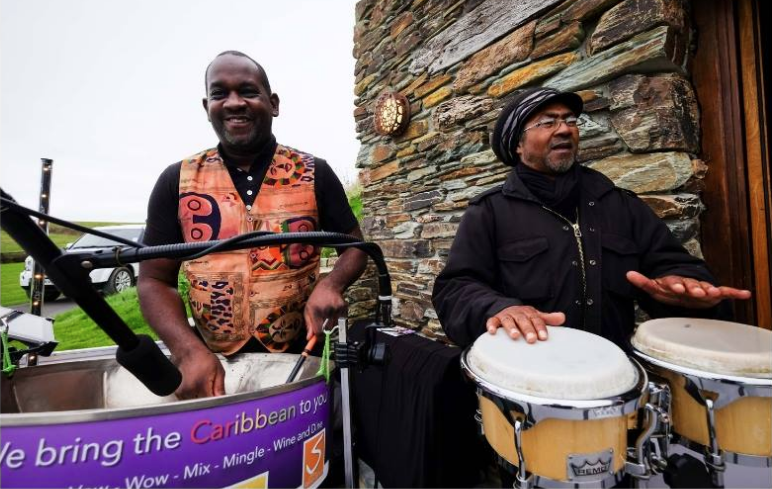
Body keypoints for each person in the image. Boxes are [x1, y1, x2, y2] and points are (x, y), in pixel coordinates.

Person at [432, 87, 751, 349]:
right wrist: (499, 308)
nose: (564, 129)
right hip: (525, 379)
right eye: (547, 122)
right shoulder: (489, 211)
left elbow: (673, 268)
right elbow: (455, 289)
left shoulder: (620, 205)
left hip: (615, 380)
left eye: (570, 120)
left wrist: (685, 291)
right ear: (517, 144)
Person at [138, 51, 367, 399]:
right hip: (211, 364)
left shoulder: (315, 172)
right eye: (220, 94)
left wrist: (332, 284)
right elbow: (154, 280)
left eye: (247, 91)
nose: (234, 103)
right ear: (207, 108)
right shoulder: (176, 180)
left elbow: (355, 246)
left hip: (300, 358)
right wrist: (186, 350)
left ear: (273, 104)